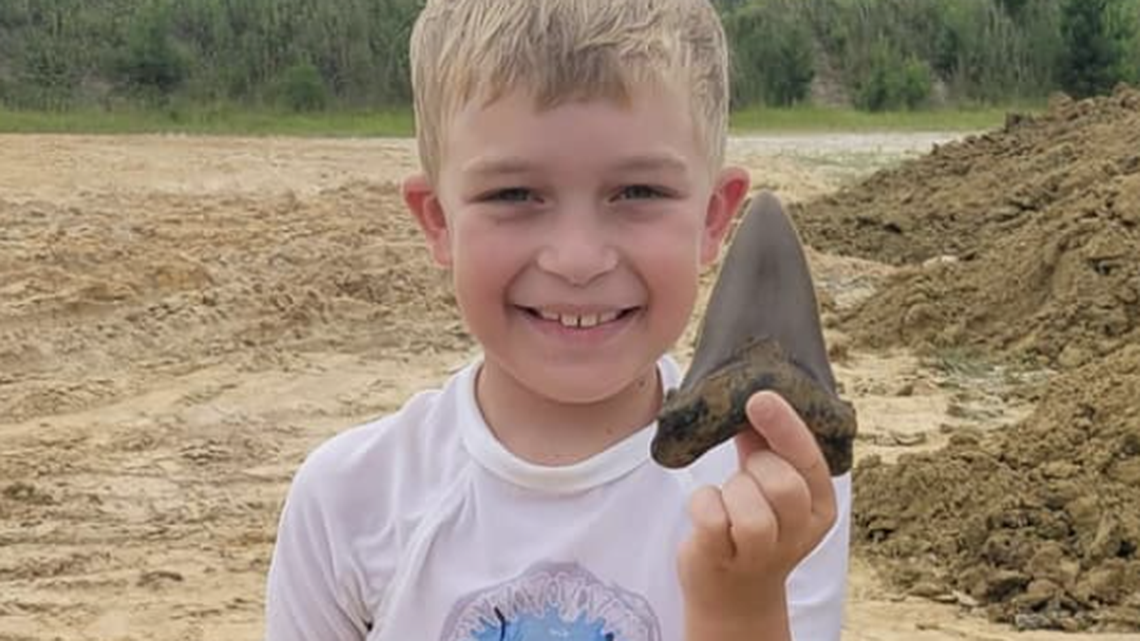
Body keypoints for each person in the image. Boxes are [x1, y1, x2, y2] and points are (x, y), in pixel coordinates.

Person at [264, 1, 851, 639]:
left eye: (639, 193)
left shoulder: (773, 481)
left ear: (714, 218)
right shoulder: (348, 501)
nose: (578, 260)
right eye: (512, 195)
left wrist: (739, 604)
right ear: (438, 222)